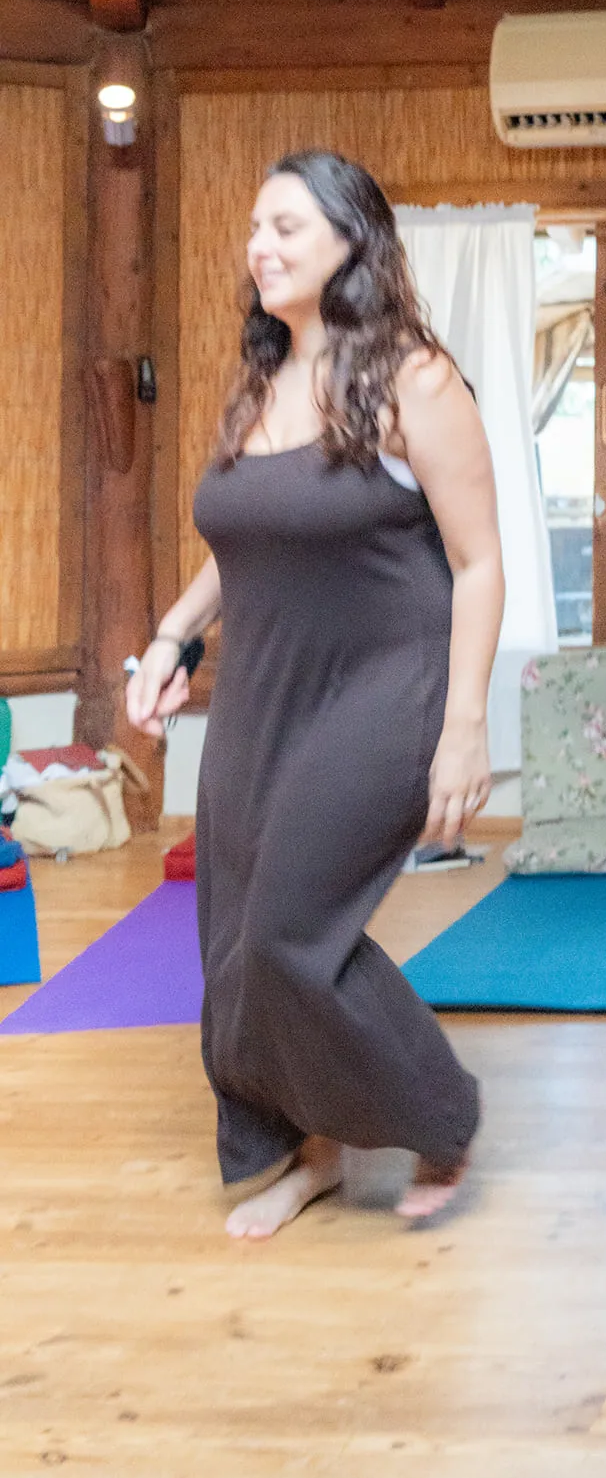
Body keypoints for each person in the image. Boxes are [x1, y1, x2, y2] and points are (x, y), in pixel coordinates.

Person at [126, 151, 502, 1240]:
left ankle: (440, 1112)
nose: (261, 246)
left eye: (286, 226)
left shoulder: (414, 379)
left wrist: (464, 727)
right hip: (263, 693)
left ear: (353, 239)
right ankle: (314, 1150)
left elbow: (480, 562)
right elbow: (243, 543)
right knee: (232, 943)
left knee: (288, 934)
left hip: (388, 686)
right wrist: (170, 638)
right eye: (255, 227)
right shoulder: (261, 381)